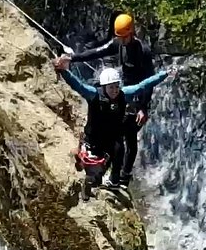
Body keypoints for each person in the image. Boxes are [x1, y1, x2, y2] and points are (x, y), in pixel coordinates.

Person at [52, 54, 175, 190]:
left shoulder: (124, 94)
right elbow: (78, 85)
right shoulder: (94, 95)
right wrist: (64, 71)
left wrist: (164, 74)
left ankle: (114, 181)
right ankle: (85, 164)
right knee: (94, 175)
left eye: (116, 86)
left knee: (119, 150)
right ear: (104, 87)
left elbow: (143, 85)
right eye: (111, 87)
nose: (115, 90)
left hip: (111, 138)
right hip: (94, 139)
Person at [64, 14, 157, 187]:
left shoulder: (142, 51)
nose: (120, 40)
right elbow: (97, 52)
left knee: (128, 137)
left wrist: (143, 107)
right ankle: (110, 172)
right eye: (118, 37)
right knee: (116, 134)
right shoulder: (118, 44)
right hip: (123, 93)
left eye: (123, 37)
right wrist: (73, 58)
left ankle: (123, 178)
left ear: (131, 32)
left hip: (137, 97)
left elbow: (149, 81)